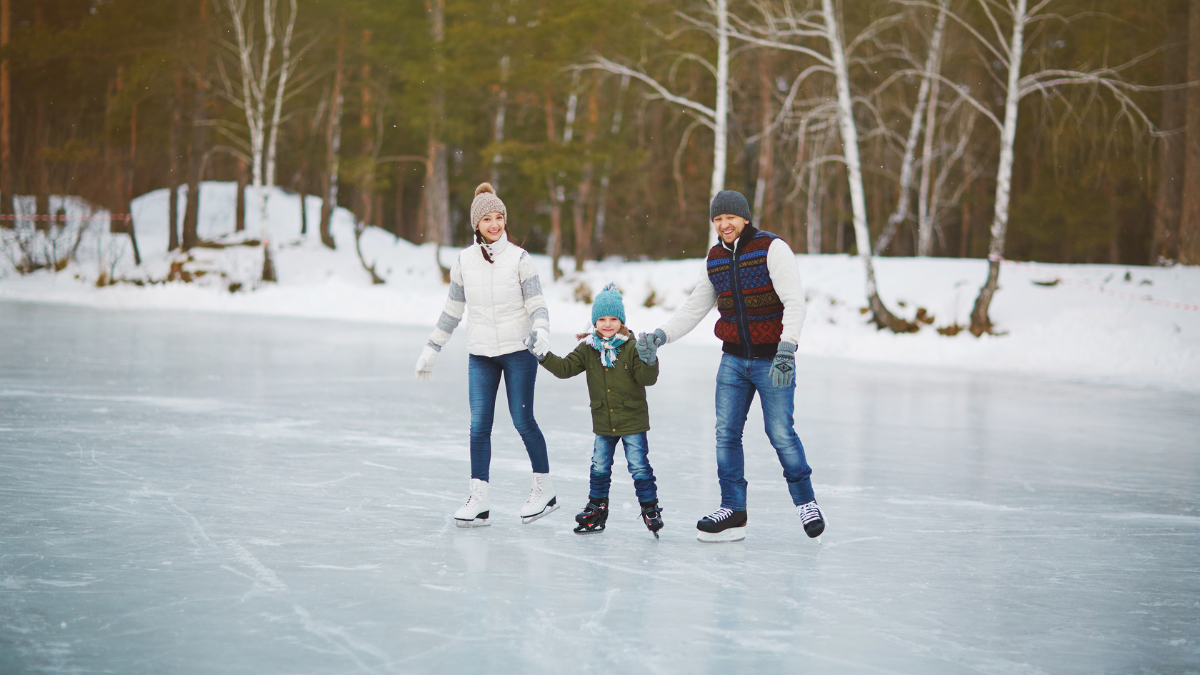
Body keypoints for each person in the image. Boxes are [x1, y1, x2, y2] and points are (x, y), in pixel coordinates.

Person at [636, 190, 825, 543]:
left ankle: (806, 502)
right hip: (734, 359)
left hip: (774, 360)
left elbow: (794, 302)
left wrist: (787, 348)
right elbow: (695, 307)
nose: (724, 224)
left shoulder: (772, 248)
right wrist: (661, 336)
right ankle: (733, 509)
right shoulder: (715, 259)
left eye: (730, 218)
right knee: (726, 435)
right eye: (718, 219)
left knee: (781, 433)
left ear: (745, 218)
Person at [415, 182, 558, 528]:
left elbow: (537, 304)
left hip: (517, 352)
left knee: (523, 420)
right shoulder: (463, 261)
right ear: (475, 224)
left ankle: (545, 489)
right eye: (487, 219)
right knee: (479, 426)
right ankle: (479, 498)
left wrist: (541, 331)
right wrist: (432, 348)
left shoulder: (520, 259)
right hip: (480, 353)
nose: (495, 225)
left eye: (499, 218)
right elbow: (452, 311)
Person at [531, 284, 664, 538]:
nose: (607, 324)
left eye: (613, 318)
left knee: (639, 466)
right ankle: (597, 509)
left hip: (633, 420)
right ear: (594, 321)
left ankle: (650, 508)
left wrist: (649, 360)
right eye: (602, 319)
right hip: (604, 421)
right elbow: (564, 369)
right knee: (599, 466)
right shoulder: (588, 348)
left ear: (622, 320)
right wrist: (543, 355)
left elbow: (647, 379)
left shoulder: (633, 347)